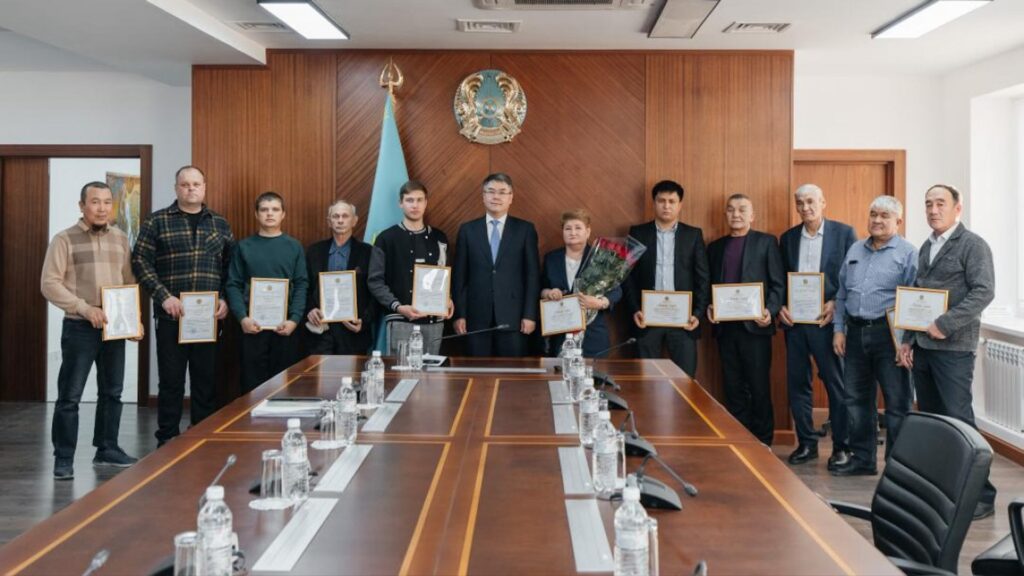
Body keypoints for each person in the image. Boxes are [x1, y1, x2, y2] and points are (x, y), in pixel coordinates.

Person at [898, 184, 997, 519]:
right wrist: (909, 338)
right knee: (934, 421)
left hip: (954, 347)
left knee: (960, 420)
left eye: (940, 203)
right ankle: (946, 489)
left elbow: (984, 292)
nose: (933, 209)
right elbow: (918, 296)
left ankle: (982, 494)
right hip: (924, 348)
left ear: (958, 208)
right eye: (928, 204)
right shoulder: (927, 246)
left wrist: (946, 323)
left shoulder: (973, 245)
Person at [41, 181, 143, 479]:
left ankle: (107, 448)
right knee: (70, 396)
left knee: (112, 392)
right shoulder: (64, 239)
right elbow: (49, 283)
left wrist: (133, 318)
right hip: (80, 327)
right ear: (82, 205)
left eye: (107, 202)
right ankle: (64, 458)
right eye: (95, 202)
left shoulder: (121, 239)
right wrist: (84, 308)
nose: (101, 208)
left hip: (114, 328)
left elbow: (128, 282)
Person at [133, 166, 233, 447]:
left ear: (204, 187)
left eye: (196, 184)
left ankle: (203, 438)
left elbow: (230, 267)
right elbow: (140, 261)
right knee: (171, 382)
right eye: (185, 184)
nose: (191, 189)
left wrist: (225, 299)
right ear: (176, 188)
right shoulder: (156, 222)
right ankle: (167, 439)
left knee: (205, 382)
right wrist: (163, 296)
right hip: (170, 317)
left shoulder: (220, 224)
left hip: (208, 319)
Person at [832, 195, 918, 477]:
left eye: (885, 215)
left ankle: (897, 467)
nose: (877, 220)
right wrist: (839, 329)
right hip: (855, 333)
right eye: (873, 214)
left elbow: (912, 301)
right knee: (856, 400)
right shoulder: (856, 248)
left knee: (897, 403)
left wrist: (904, 341)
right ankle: (862, 459)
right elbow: (842, 293)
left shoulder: (908, 253)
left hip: (889, 336)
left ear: (898, 221)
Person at [778, 184, 858, 470]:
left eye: (811, 201)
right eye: (799, 203)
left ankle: (841, 447)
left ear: (823, 202)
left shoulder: (844, 233)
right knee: (798, 385)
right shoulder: (787, 238)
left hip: (828, 322)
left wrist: (837, 303)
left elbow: (853, 276)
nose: (805, 207)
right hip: (796, 325)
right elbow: (780, 281)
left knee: (837, 386)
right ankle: (807, 443)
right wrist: (780, 307)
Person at [707, 194, 785, 446]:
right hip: (726, 329)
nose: (736, 214)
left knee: (759, 386)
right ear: (725, 215)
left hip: (756, 328)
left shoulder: (766, 242)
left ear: (752, 215)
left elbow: (778, 284)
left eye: (742, 210)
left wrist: (770, 311)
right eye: (730, 210)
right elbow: (710, 286)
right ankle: (740, 440)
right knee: (733, 387)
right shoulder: (715, 247)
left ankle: (763, 442)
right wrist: (710, 306)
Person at [226, 191, 308, 394]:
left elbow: (301, 284)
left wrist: (294, 319)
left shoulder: (294, 247)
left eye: (275, 209)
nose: (269, 214)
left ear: (283, 214)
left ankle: (281, 426)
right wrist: (242, 318)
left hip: (285, 327)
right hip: (252, 327)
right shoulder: (243, 247)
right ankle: (251, 426)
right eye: (264, 209)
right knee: (252, 386)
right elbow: (232, 285)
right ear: (256, 214)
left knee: (284, 386)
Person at [625, 180, 710, 375]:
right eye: (661, 200)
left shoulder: (693, 235)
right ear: (653, 203)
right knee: (646, 379)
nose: (666, 206)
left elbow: (703, 278)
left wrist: (697, 313)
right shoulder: (638, 233)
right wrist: (635, 309)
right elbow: (627, 276)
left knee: (685, 380)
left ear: (680, 204)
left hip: (683, 320)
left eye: (672, 201)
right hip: (647, 319)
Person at [453, 173, 540, 356]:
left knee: (512, 378)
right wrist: (460, 314)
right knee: (477, 374)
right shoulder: (467, 230)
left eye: (502, 192)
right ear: (483, 196)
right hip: (475, 318)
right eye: (491, 191)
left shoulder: (525, 229)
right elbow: (459, 276)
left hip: (514, 317)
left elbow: (532, 276)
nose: (496, 197)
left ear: (511, 197)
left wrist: (530, 314)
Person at [367, 180, 451, 355]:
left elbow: (445, 275)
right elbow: (375, 281)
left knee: (432, 378)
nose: (415, 205)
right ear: (400, 203)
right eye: (410, 200)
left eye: (419, 200)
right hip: (400, 319)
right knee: (401, 375)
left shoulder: (439, 237)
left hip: (434, 321)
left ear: (426, 203)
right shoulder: (386, 238)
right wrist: (397, 306)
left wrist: (448, 298)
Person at [541, 209, 621, 357]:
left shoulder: (601, 259)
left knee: (593, 379)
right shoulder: (551, 258)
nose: (573, 232)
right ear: (563, 232)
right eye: (568, 228)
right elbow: (542, 287)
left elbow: (616, 291)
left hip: (593, 335)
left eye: (578, 228)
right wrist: (548, 293)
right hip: (560, 333)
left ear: (588, 231)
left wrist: (600, 302)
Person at [305, 200, 374, 355]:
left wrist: (364, 321)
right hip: (321, 332)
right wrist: (310, 309)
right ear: (329, 222)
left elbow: (375, 292)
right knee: (322, 379)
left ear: (354, 220)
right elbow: (305, 287)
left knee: (352, 379)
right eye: (335, 216)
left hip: (353, 333)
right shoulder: (314, 251)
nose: (340, 220)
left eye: (345, 216)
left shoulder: (368, 252)